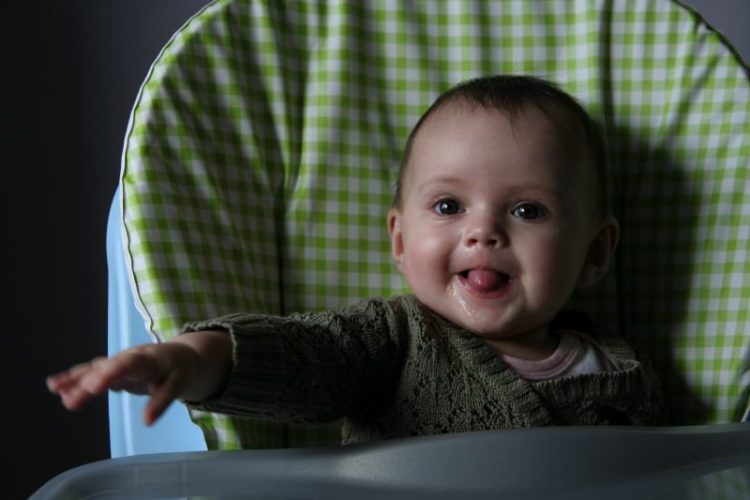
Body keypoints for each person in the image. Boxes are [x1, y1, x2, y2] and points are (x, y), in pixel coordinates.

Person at [47, 75, 667, 445]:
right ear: (399, 241)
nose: (483, 232)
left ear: (594, 252)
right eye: (449, 205)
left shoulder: (624, 368)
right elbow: (298, 357)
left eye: (528, 211)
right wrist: (193, 359)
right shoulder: (393, 340)